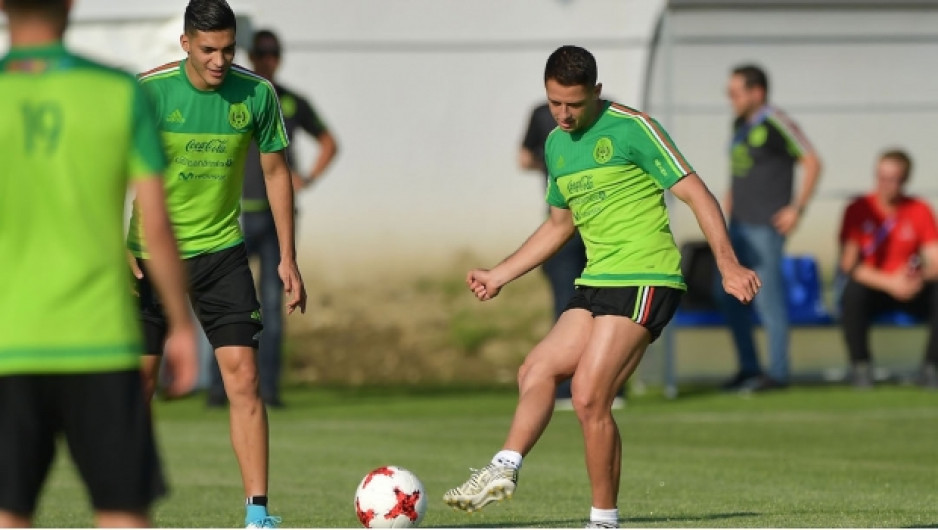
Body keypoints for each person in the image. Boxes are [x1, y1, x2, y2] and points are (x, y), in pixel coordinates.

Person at [442, 45, 760, 528]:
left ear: (596, 91)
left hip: (646, 276)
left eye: (574, 103)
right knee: (537, 369)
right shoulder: (554, 145)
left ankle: (603, 520)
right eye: (554, 103)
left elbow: (696, 192)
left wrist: (728, 263)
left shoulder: (634, 128)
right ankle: (503, 467)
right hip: (596, 279)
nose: (564, 115)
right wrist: (499, 273)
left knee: (590, 396)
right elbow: (558, 225)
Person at [0, 0, 199, 527]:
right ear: (70, 4)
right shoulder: (117, 91)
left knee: (7, 512)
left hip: (8, 343)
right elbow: (154, 222)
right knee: (122, 512)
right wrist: (180, 325)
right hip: (102, 340)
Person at [126, 1, 307, 527]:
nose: (220, 60)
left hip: (221, 254)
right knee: (138, 384)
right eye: (209, 49)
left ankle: (258, 513)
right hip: (148, 258)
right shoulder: (150, 92)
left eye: (228, 49)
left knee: (244, 378)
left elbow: (276, 173)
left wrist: (289, 258)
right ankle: (128, 505)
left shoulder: (257, 94)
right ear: (185, 44)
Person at [207, 28, 338, 409]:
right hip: (234, 216)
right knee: (227, 305)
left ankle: (269, 389)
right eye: (260, 53)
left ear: (279, 57)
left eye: (272, 53)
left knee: (273, 308)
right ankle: (219, 390)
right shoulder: (235, 94)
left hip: (275, 216)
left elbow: (330, 143)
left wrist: (308, 177)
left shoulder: (291, 101)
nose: (266, 59)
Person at [716, 64, 822, 392]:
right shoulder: (739, 124)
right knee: (729, 296)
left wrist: (796, 209)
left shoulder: (776, 121)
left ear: (757, 92)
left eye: (736, 92)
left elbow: (812, 161)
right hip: (738, 226)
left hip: (764, 227)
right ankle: (749, 368)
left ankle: (776, 373)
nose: (730, 98)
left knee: (768, 300)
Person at [838, 149, 938, 389]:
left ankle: (931, 367)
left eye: (894, 179)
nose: (886, 185)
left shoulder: (919, 209)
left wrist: (918, 278)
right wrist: (889, 282)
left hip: (910, 288)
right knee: (852, 293)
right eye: (882, 177)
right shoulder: (858, 209)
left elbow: (935, 260)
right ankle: (860, 366)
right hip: (874, 288)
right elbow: (849, 264)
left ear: (905, 180)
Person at [520, 101, 595, 409]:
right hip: (571, 223)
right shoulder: (595, 112)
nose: (564, 113)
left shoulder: (544, 114)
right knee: (586, 307)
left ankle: (576, 388)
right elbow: (525, 159)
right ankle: (578, 386)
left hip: (590, 227)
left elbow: (526, 158)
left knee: (580, 306)